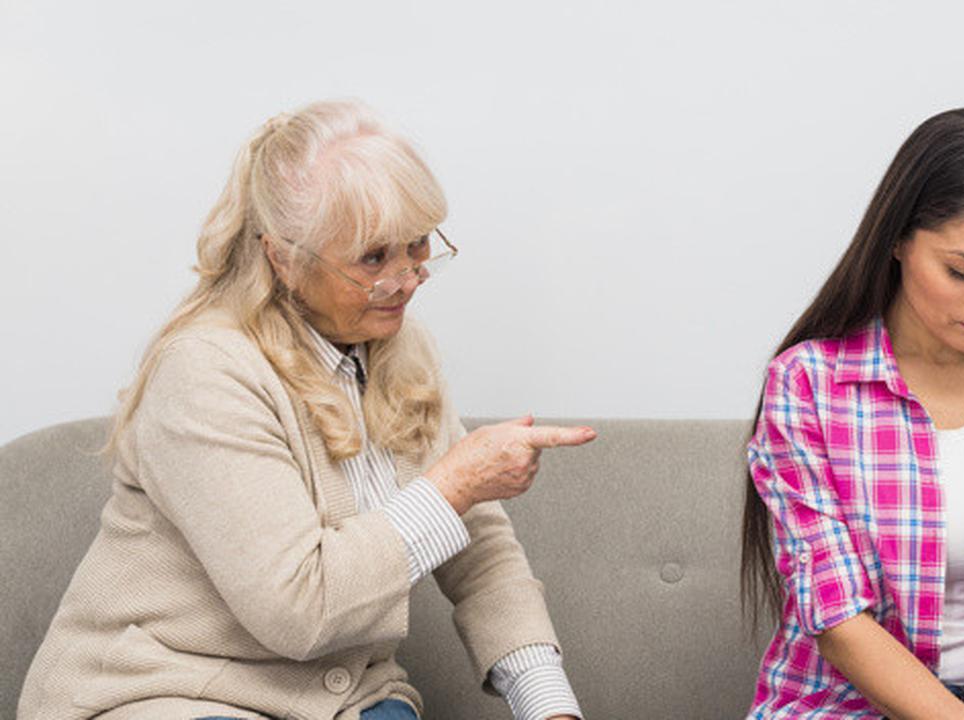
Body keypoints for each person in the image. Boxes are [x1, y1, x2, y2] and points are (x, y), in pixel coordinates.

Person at [19, 100, 593, 720]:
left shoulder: (401, 350)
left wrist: (550, 707)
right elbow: (299, 608)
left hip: (347, 703)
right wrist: (451, 486)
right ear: (284, 257)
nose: (407, 280)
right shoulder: (206, 370)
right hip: (167, 695)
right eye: (374, 259)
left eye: (418, 245)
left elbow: (480, 558)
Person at [740, 106, 964, 719]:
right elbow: (836, 613)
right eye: (963, 270)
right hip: (846, 708)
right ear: (897, 241)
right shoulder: (808, 385)